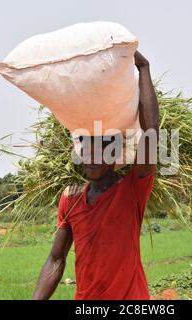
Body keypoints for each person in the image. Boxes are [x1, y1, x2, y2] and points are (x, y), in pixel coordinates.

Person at [33, 50, 159, 300]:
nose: (89, 159)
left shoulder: (132, 189)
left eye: (99, 152)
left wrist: (143, 68)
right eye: (85, 151)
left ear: (113, 156)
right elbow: (56, 259)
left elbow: (151, 133)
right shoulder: (70, 198)